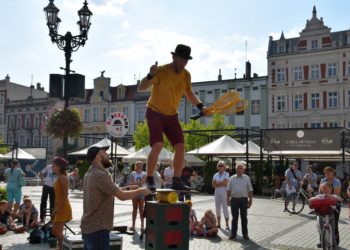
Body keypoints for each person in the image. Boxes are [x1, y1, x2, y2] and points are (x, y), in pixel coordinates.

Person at [138, 44, 208, 191]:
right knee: (157, 145)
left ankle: (176, 179)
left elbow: (189, 94)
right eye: (181, 60)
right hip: (154, 112)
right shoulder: (162, 71)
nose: (183, 63)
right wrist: (150, 74)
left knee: (181, 147)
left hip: (171, 115)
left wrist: (201, 106)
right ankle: (149, 179)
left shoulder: (186, 75)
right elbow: (142, 87)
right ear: (174, 57)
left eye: (185, 61)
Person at [81, 145, 152, 250]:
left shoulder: (90, 172)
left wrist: (129, 188)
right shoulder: (100, 174)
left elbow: (110, 190)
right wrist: (141, 190)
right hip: (98, 230)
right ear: (98, 156)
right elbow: (121, 196)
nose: (108, 155)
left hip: (90, 228)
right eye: (104, 152)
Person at [310, 182, 342, 248]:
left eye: (326, 188)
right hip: (321, 216)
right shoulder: (320, 196)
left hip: (331, 216)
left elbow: (340, 199)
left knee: (332, 235)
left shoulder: (332, 195)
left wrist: (334, 198)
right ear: (321, 190)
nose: (325, 190)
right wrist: (316, 199)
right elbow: (310, 199)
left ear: (330, 189)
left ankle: (334, 247)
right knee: (322, 232)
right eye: (323, 189)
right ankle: (323, 243)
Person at [227, 162, 253, 240]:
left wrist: (250, 200)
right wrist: (227, 200)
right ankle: (233, 234)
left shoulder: (246, 178)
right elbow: (228, 190)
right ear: (236, 169)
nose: (239, 170)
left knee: (244, 217)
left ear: (243, 169)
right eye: (238, 168)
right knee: (234, 218)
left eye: (241, 168)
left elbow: (250, 190)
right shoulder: (231, 178)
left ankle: (245, 234)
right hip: (234, 200)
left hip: (243, 199)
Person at [51, 157, 72, 250]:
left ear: (59, 167)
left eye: (53, 165)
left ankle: (70, 245)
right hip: (60, 205)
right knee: (58, 231)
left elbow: (65, 194)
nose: (52, 167)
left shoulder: (63, 178)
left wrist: (58, 208)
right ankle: (61, 248)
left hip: (62, 207)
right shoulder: (60, 177)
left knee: (55, 231)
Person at [320, 166, 342, 245]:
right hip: (324, 203)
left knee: (334, 223)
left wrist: (328, 196)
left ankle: (336, 241)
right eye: (325, 172)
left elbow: (336, 194)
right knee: (321, 223)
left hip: (334, 203)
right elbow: (320, 192)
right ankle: (322, 240)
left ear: (333, 173)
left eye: (329, 172)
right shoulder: (323, 180)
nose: (327, 174)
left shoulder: (337, 181)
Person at [129, 161, 147, 232]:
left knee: (141, 209)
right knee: (134, 209)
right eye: (138, 165)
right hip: (134, 192)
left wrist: (135, 184)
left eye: (140, 165)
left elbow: (141, 183)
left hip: (141, 192)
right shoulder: (132, 173)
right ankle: (133, 225)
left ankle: (142, 225)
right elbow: (131, 183)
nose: (139, 166)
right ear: (135, 166)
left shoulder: (144, 173)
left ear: (142, 166)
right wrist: (136, 184)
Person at [212, 161, 230, 230]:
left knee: (225, 207)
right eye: (219, 165)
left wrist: (217, 183)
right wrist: (220, 183)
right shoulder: (215, 174)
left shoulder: (226, 174)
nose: (220, 167)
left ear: (224, 167)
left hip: (224, 192)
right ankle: (218, 223)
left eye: (222, 165)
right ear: (217, 167)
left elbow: (225, 183)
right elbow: (213, 185)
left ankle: (227, 224)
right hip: (217, 193)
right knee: (217, 208)